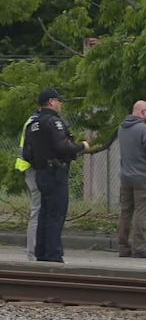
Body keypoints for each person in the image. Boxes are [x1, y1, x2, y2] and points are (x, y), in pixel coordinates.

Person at [23, 89, 89, 263]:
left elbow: (27, 153)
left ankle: (42, 253)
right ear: (51, 102)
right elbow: (63, 146)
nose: (60, 104)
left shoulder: (33, 124)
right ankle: (54, 254)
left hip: (41, 173)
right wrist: (81, 146)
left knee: (44, 214)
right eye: (58, 101)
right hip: (55, 173)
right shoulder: (54, 122)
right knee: (56, 215)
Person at [117, 100, 146, 258]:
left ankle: (123, 246)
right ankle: (139, 248)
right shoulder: (145, 129)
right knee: (141, 213)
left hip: (126, 176)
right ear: (143, 112)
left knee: (125, 212)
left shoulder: (121, 129)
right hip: (143, 178)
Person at [15, 110, 41, 261]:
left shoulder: (31, 121)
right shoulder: (35, 122)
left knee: (37, 209)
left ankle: (34, 251)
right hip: (32, 168)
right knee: (37, 210)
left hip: (27, 167)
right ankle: (32, 252)